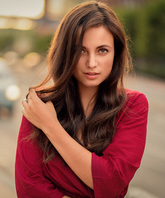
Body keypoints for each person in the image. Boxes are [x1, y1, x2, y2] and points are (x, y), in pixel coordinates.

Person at [15, 1, 149, 198]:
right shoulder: (39, 105)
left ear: (116, 53)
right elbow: (29, 189)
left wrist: (51, 127)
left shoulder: (133, 105)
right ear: (66, 52)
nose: (91, 63)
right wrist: (95, 182)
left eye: (102, 50)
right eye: (81, 50)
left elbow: (112, 183)